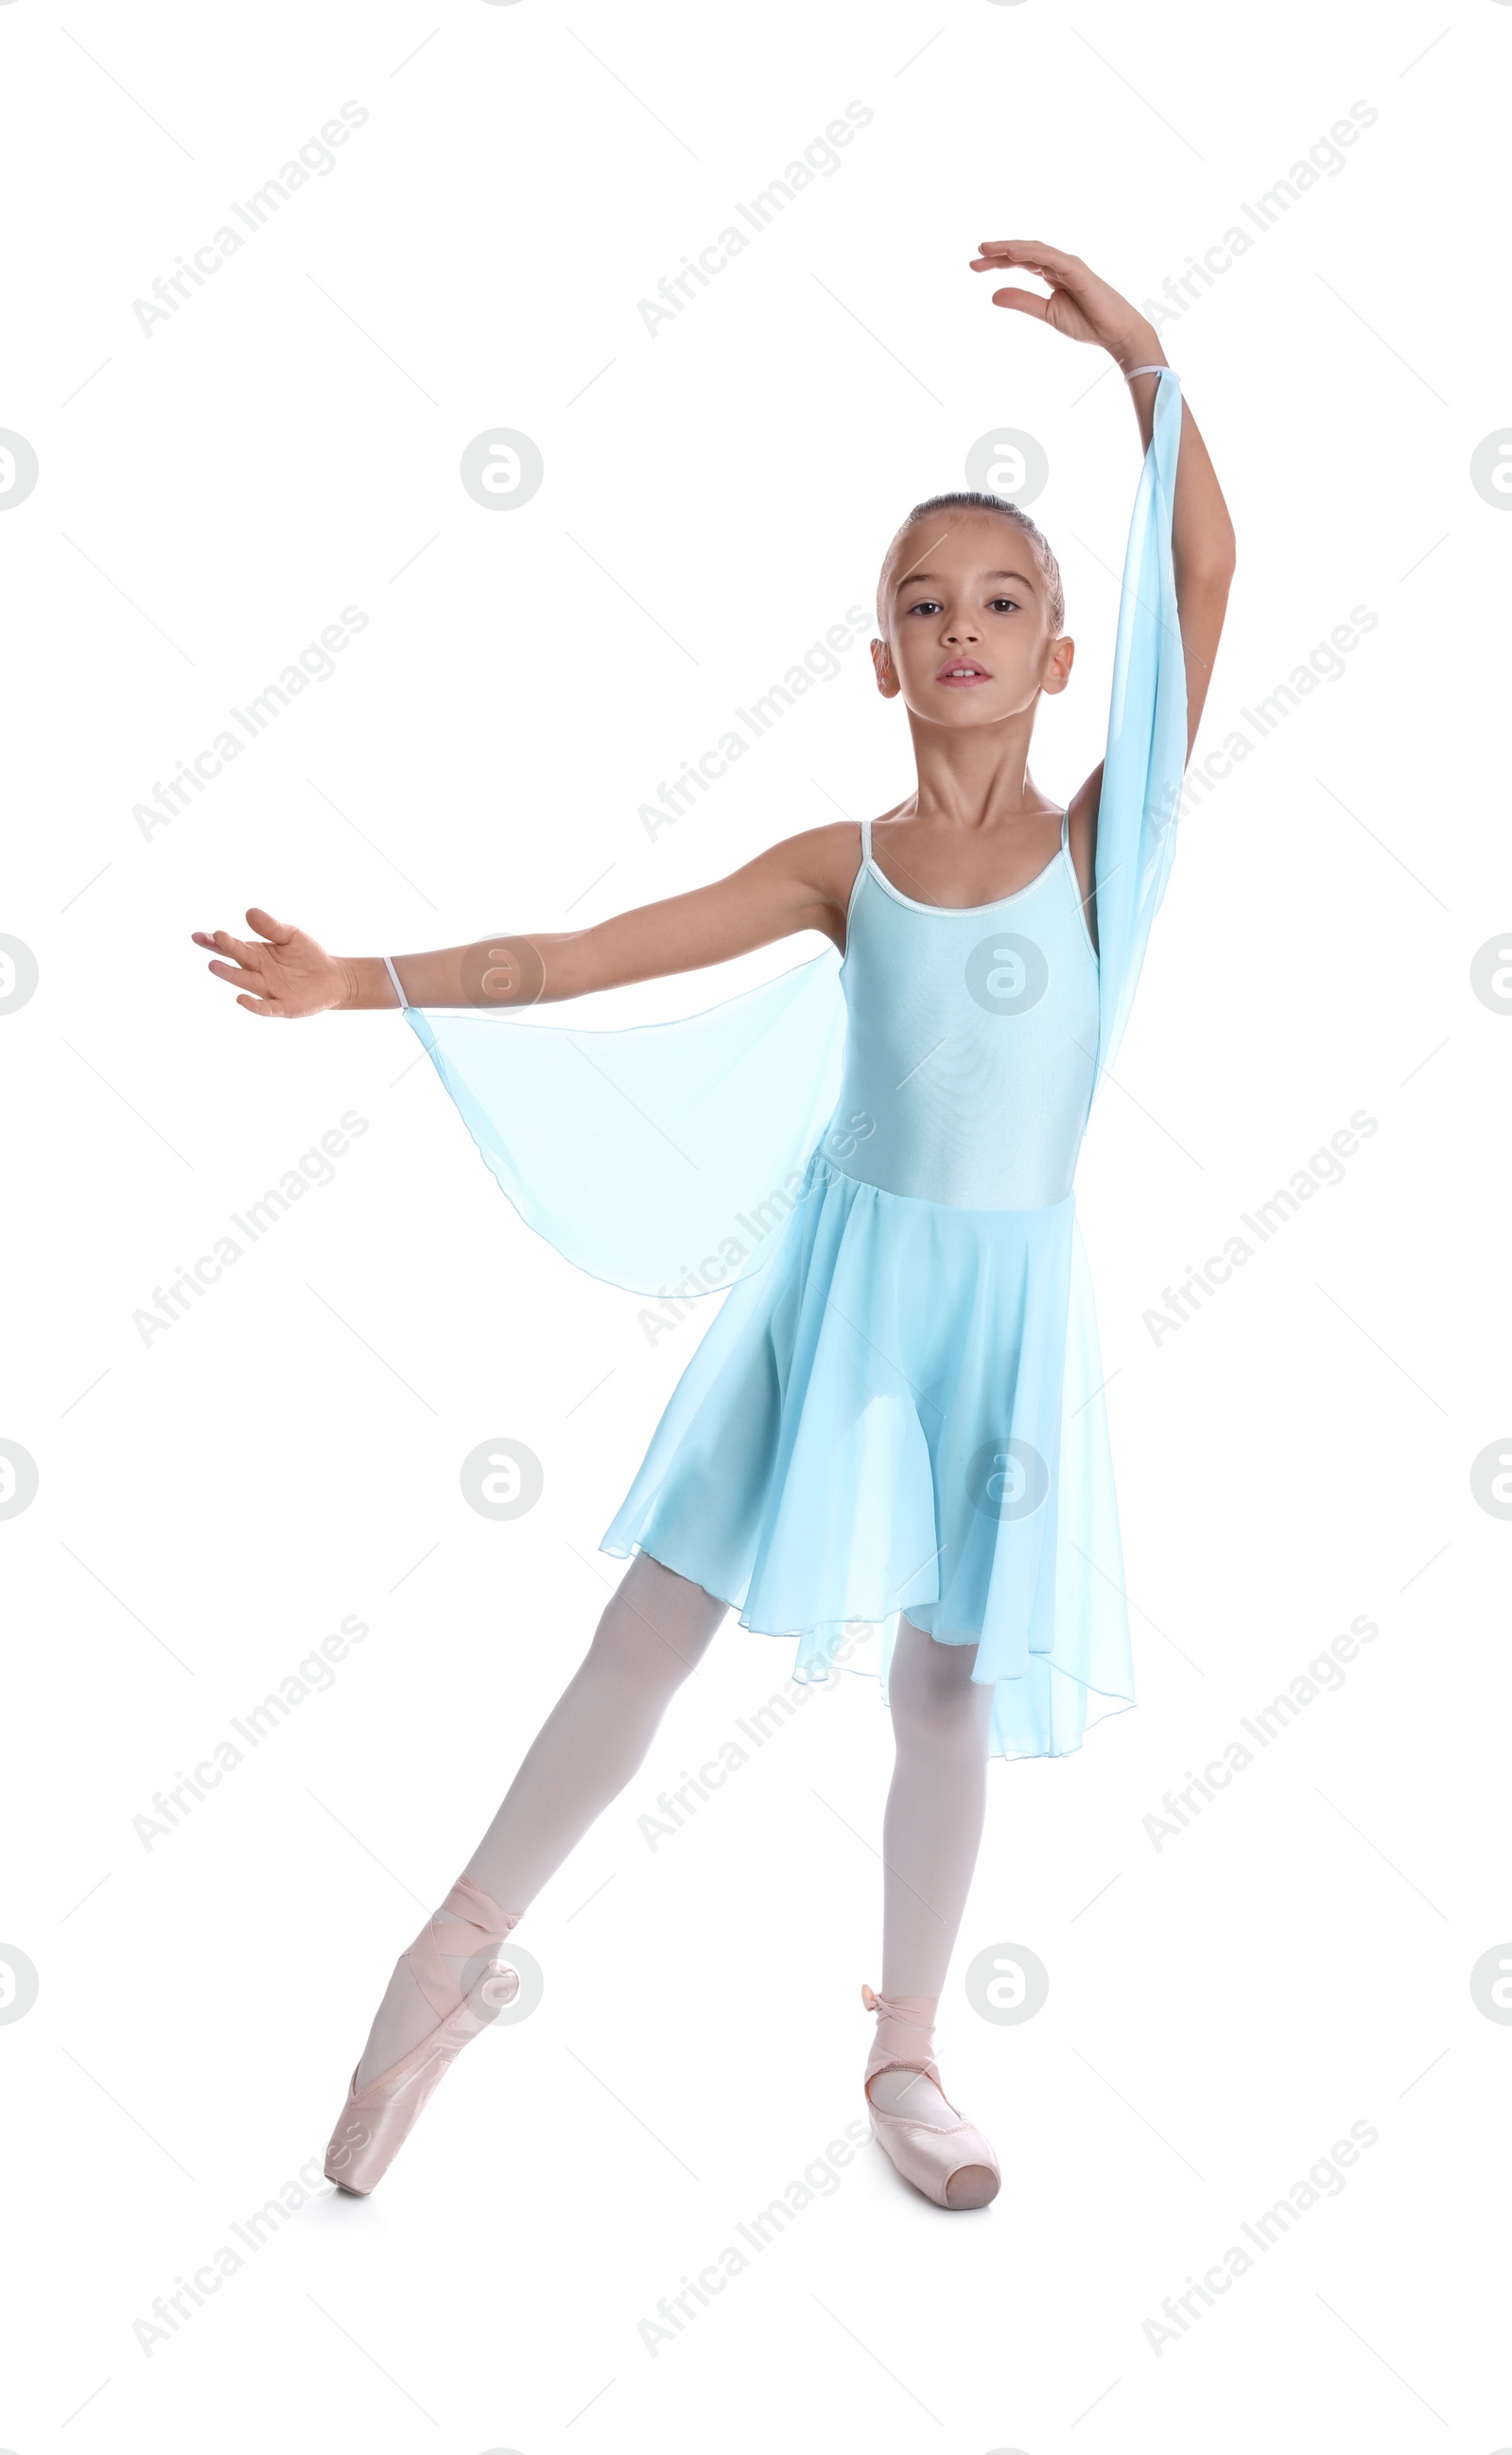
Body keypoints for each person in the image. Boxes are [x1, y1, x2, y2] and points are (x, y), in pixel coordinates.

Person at [194, 240, 1235, 2212]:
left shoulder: (1109, 842)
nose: (960, 627)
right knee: (649, 1620)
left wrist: (1144, 366)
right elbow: (574, 952)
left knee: (942, 1679)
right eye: (921, 603)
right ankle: (444, 1952)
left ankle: (905, 2052)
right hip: (838, 1289)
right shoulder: (835, 866)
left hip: (1003, 1303)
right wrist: (357, 980)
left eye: (1001, 601)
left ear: (1057, 653)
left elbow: (1205, 582)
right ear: (877, 654)